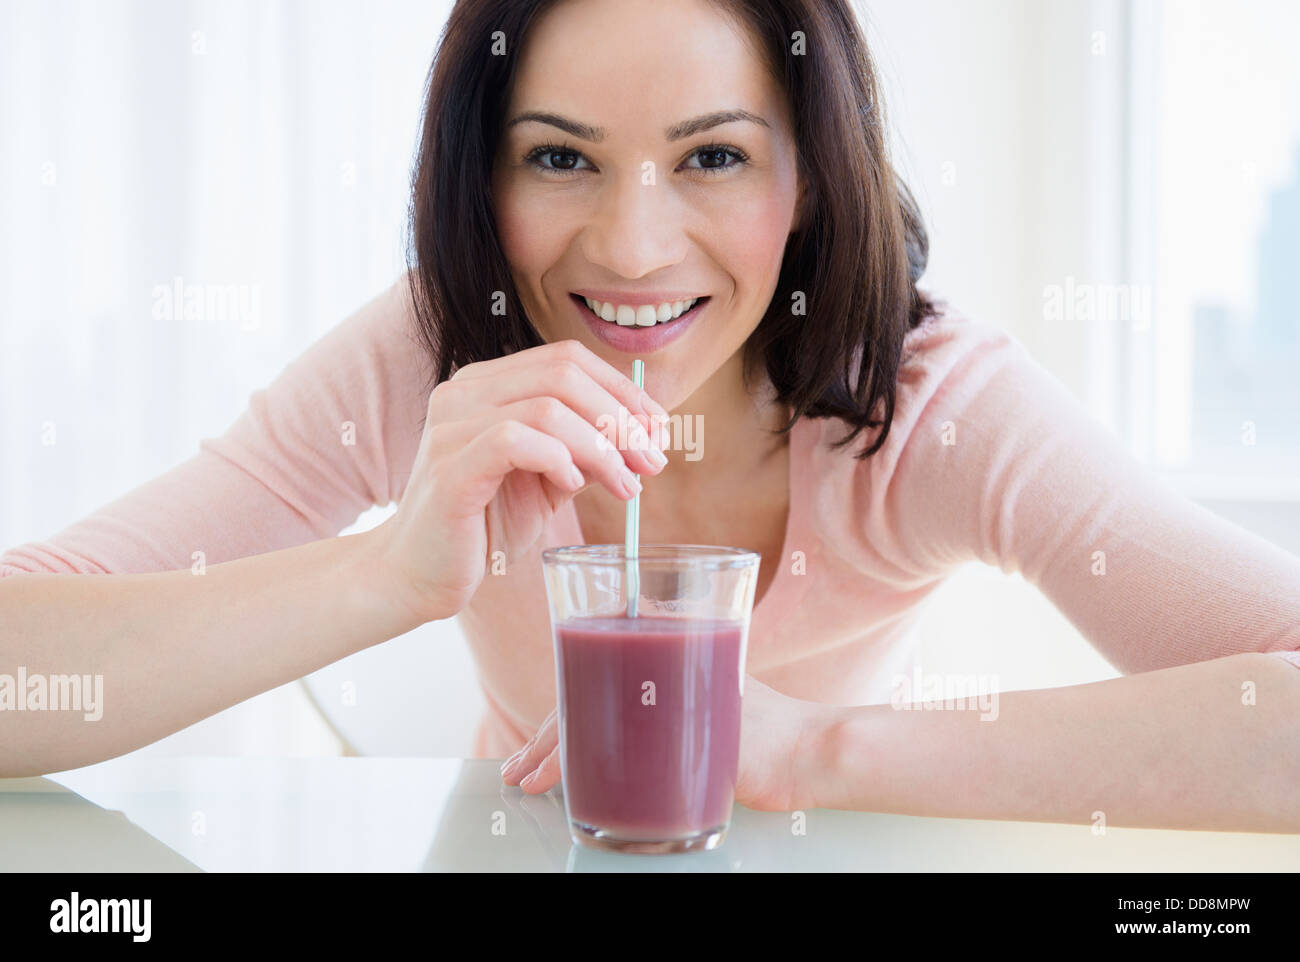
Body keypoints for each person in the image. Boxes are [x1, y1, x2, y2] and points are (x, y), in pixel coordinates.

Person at [3, 0, 1298, 832]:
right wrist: (385, 571)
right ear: (481, 174)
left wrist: (817, 747)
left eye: (713, 156)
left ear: (808, 178)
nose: (629, 247)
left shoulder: (922, 400)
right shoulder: (437, 350)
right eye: (559, 156)